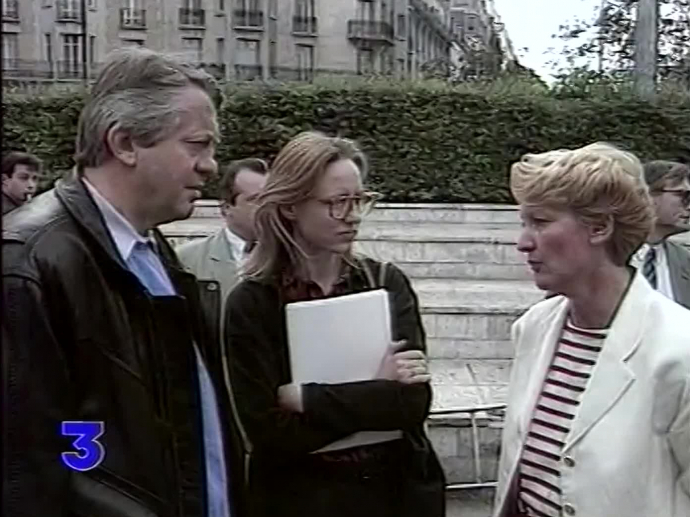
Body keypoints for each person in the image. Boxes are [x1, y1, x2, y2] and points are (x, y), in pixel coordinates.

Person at [2, 48, 245, 517]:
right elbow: (34, 468)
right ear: (125, 143)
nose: (211, 165)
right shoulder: (26, 263)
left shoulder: (150, 248)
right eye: (197, 145)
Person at [223, 131, 445, 517]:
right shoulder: (253, 303)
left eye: (359, 200)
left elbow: (412, 404)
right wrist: (377, 391)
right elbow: (270, 432)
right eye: (337, 203)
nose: (353, 215)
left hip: (395, 496)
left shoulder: (386, 282)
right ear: (291, 206)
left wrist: (307, 399)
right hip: (298, 503)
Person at [493, 143, 690, 517]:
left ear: (600, 228)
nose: (523, 243)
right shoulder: (533, 327)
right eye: (524, 223)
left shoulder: (679, 351)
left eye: (540, 222)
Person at [177, 157, 268, 341]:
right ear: (226, 208)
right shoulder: (186, 260)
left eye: (272, 199)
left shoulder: (296, 258)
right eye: (256, 200)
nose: (267, 208)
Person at [630, 160, 690, 308]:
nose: (688, 205)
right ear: (646, 195)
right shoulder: (607, 255)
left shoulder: (684, 260)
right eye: (683, 195)